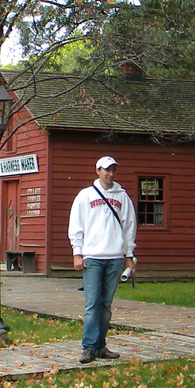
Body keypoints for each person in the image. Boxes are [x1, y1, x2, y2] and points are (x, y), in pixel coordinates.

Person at [68, 155, 136, 364]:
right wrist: (77, 252)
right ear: (97, 171)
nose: (110, 174)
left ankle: (100, 345)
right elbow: (76, 225)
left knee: (105, 304)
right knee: (92, 304)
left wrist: (129, 256)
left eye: (113, 170)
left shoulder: (122, 196)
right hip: (92, 257)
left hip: (115, 257)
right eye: (106, 170)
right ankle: (88, 347)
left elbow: (129, 227)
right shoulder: (85, 196)